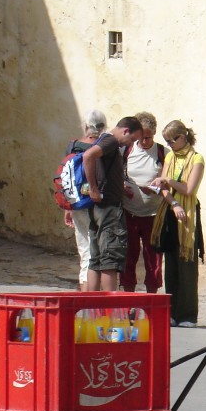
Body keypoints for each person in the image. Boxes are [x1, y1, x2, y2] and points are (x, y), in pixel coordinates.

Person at [151, 120, 204, 327]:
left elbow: (189, 189)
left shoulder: (197, 158)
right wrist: (173, 203)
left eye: (173, 139)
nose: (170, 144)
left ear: (183, 136)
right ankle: (171, 312)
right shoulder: (170, 157)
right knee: (171, 262)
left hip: (189, 213)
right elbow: (163, 188)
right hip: (171, 211)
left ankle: (188, 314)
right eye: (167, 141)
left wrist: (168, 182)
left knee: (187, 263)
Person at [81, 115, 142, 291]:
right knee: (110, 258)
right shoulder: (111, 141)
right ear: (125, 131)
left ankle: (91, 307)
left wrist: (120, 188)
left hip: (99, 207)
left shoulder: (104, 140)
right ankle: (110, 309)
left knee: (96, 258)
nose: (130, 144)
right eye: (132, 139)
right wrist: (93, 188)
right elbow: (88, 156)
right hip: (108, 208)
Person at [120, 111, 165, 294]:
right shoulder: (127, 151)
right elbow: (118, 174)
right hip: (129, 213)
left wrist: (158, 184)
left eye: (149, 137)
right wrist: (123, 187)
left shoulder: (162, 152)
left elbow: (167, 178)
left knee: (153, 258)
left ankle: (151, 298)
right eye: (142, 138)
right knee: (128, 257)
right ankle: (128, 297)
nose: (145, 142)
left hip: (153, 214)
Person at [62, 109, 106, 291]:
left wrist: (67, 207)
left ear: (86, 125)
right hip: (100, 203)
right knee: (100, 254)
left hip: (78, 203)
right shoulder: (105, 145)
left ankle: (84, 299)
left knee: (85, 252)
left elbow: (67, 179)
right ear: (103, 126)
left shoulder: (73, 145)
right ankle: (95, 297)